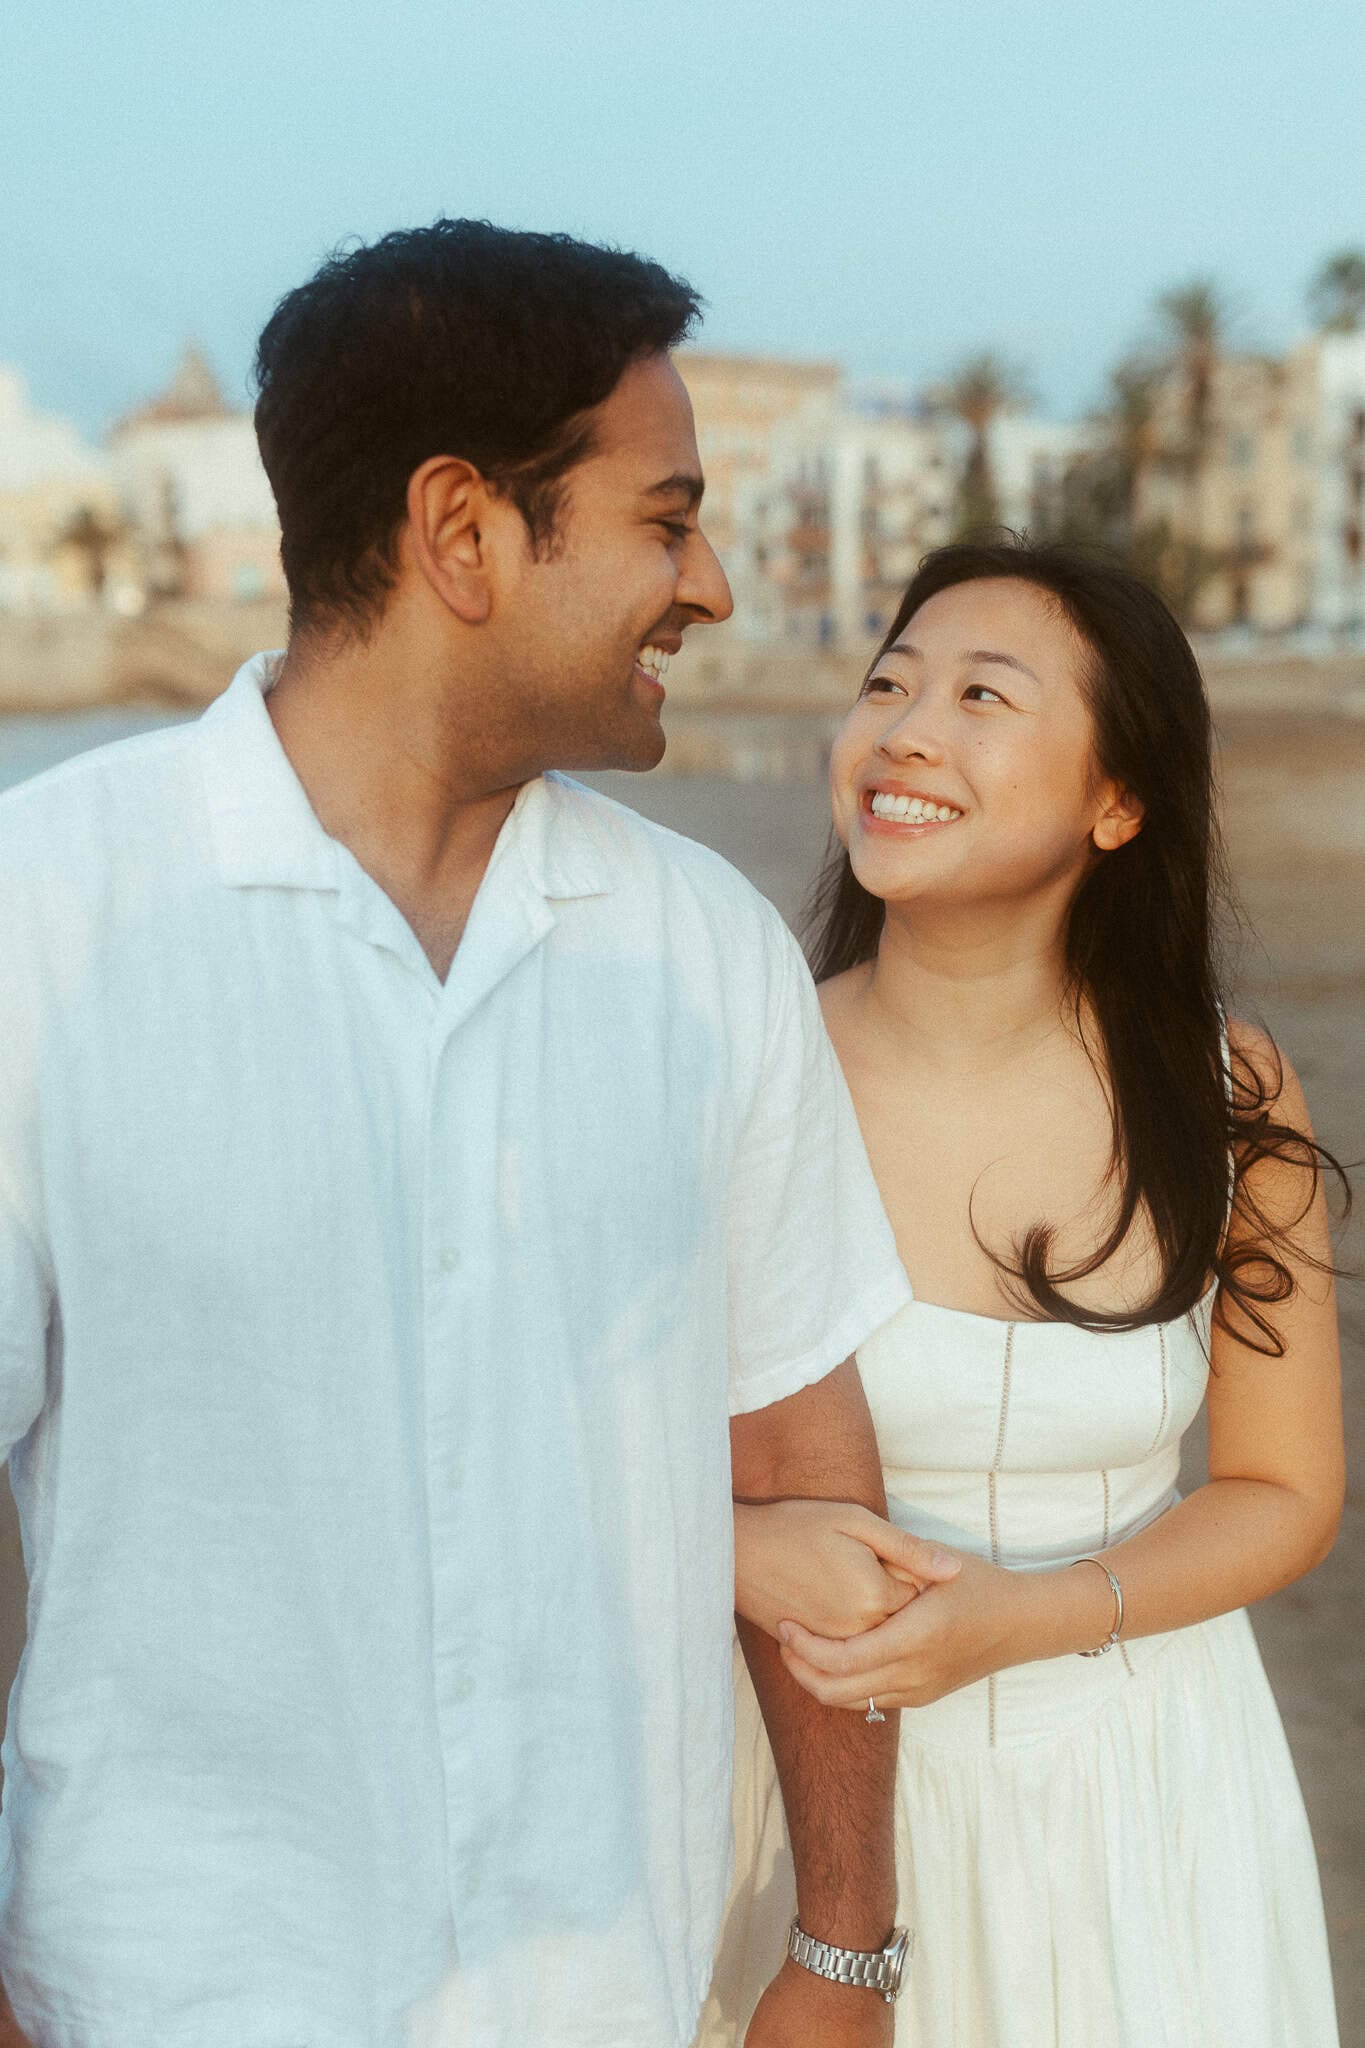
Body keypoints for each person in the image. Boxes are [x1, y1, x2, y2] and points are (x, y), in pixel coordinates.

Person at [0, 221, 957, 2048]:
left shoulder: (704, 954)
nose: (712, 586)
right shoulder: (42, 918)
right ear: (462, 532)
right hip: (159, 1984)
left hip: (602, 1986)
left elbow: (799, 1478)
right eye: (665, 519)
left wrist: (842, 1951)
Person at [699, 541, 1346, 2047]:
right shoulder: (740, 1072)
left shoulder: (1223, 1084)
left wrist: (1028, 1619)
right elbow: (565, 1446)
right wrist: (732, 1547)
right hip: (802, 1799)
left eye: (981, 693)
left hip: (1141, 1785)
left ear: (1116, 802)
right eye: (886, 684)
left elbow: (1280, 1488)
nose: (903, 729)